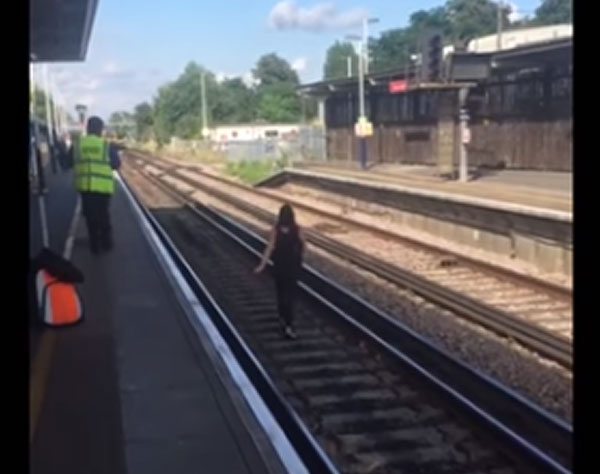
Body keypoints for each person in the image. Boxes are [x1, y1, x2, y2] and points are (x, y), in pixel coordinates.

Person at [254, 204, 305, 339]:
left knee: (281, 295)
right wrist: (300, 261)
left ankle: (283, 318)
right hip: (292, 268)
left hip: (279, 268)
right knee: (290, 296)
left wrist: (262, 265)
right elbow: (303, 246)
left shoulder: (276, 230)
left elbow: (269, 248)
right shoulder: (297, 229)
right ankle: (289, 324)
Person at [72, 116, 121, 254]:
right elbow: (116, 165)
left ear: (88, 129)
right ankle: (107, 242)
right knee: (103, 214)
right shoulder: (106, 145)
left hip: (85, 186)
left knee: (90, 216)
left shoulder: (78, 144)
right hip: (103, 187)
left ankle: (95, 245)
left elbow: (67, 162)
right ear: (100, 130)